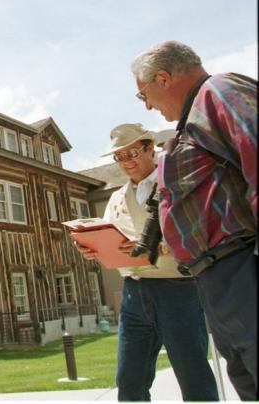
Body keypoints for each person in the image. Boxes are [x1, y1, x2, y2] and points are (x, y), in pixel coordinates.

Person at [130, 40, 257, 400]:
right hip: (216, 277)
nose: (149, 105)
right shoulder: (190, 122)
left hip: (242, 266)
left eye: (144, 95)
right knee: (248, 382)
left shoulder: (221, 92)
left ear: (163, 78)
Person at [74, 123, 218, 401]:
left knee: (194, 378)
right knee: (129, 383)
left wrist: (155, 247)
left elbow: (202, 234)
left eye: (132, 153)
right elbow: (109, 236)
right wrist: (91, 247)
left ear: (150, 148)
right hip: (133, 294)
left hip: (178, 290)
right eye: (120, 157)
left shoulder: (177, 184)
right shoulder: (116, 197)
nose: (126, 162)